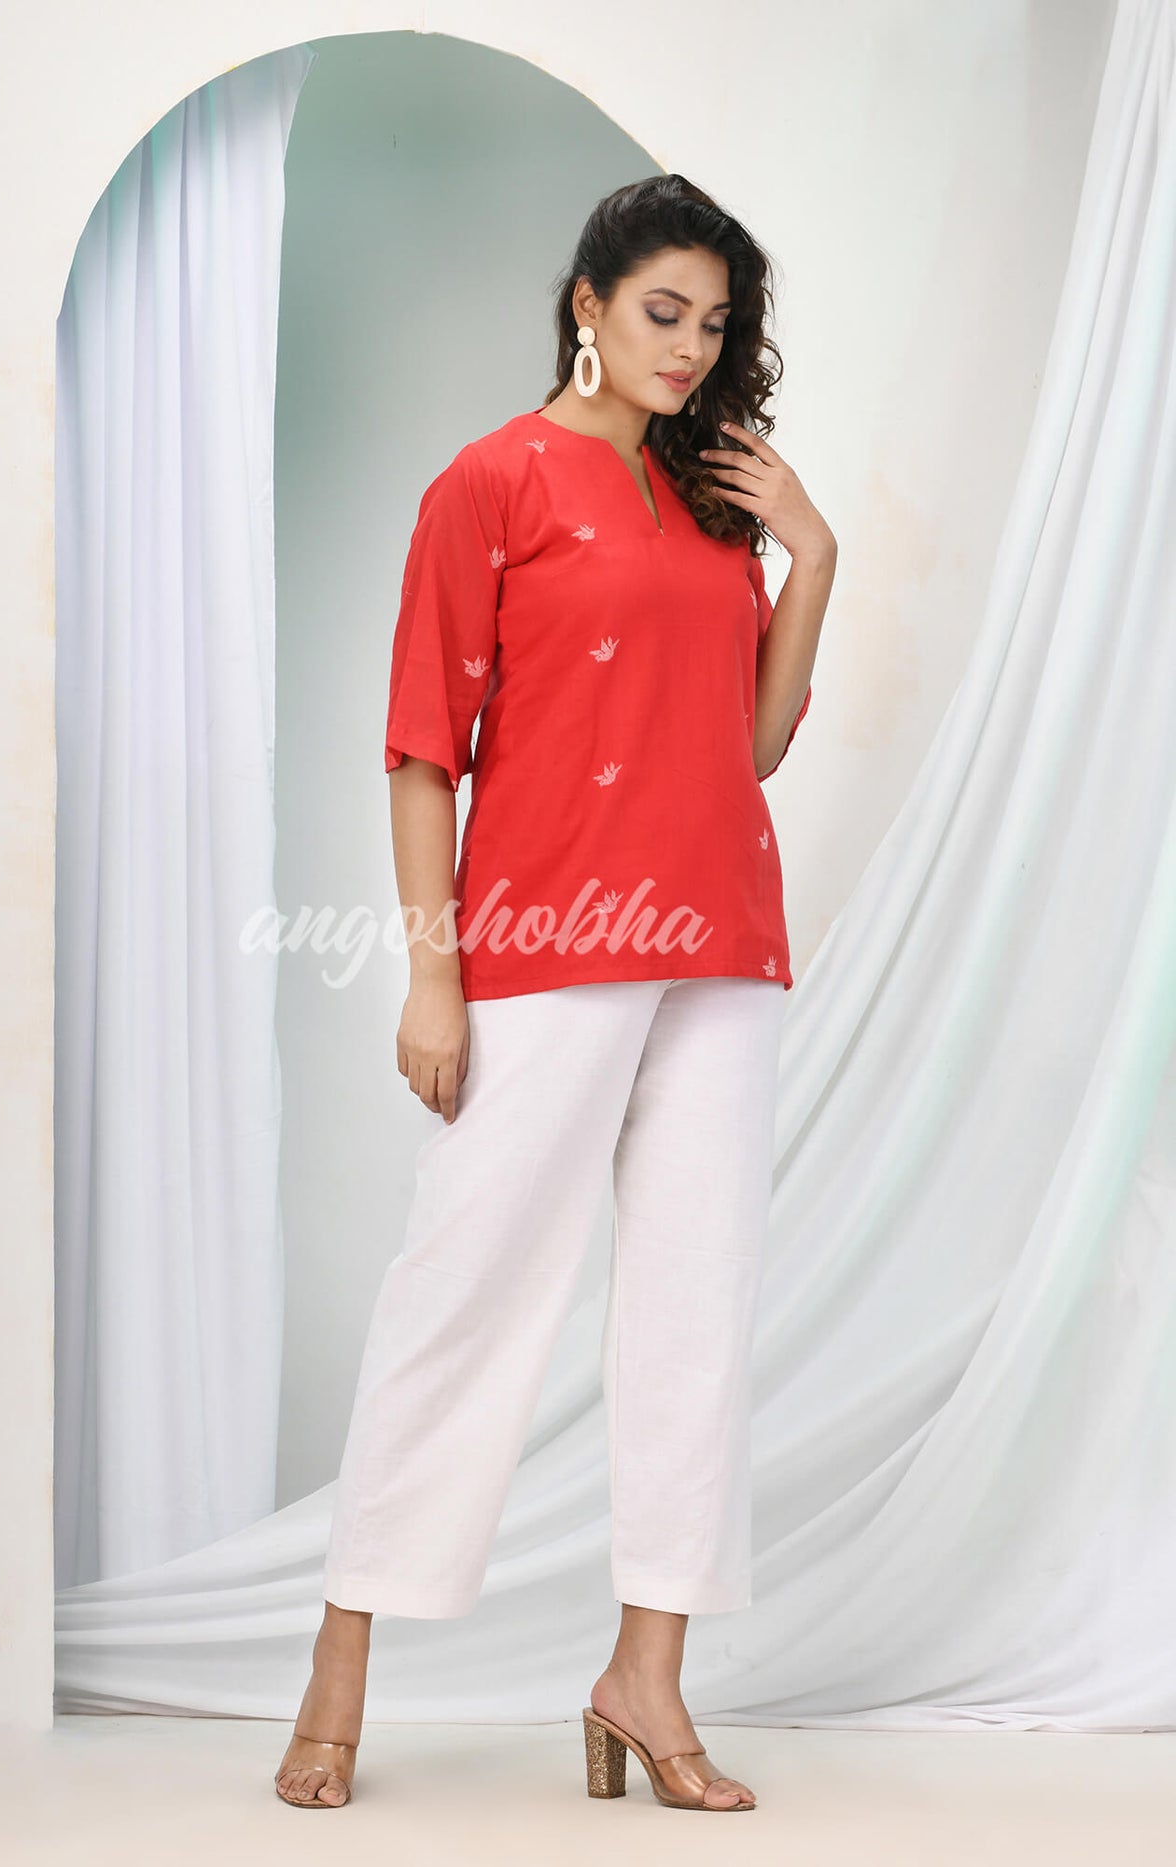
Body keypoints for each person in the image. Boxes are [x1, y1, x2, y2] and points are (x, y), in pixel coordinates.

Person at [275, 173, 835, 1812]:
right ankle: (338, 1663)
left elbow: (748, 746)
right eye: (663, 311)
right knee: (462, 1294)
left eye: (715, 323)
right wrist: (430, 980)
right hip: (549, 941)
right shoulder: (492, 482)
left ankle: (645, 1677)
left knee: (693, 1308)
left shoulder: (711, 501)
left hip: (721, 940)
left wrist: (810, 552)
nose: (690, 347)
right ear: (587, 303)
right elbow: (420, 750)